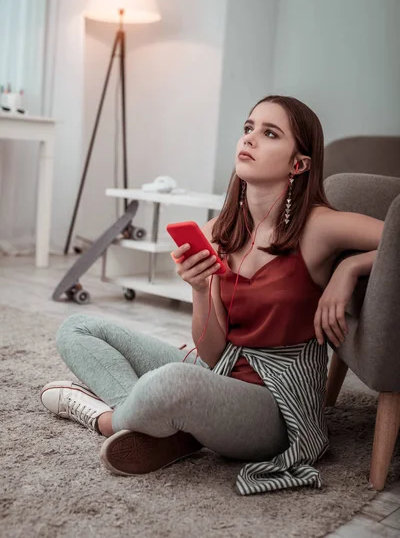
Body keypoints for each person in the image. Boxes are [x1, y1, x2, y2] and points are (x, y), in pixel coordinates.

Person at [40, 95, 383, 495]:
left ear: (298, 164)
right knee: (77, 327)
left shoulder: (318, 227)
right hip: (220, 370)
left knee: (172, 384)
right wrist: (200, 289)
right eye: (248, 128)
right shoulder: (215, 233)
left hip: (275, 406)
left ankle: (106, 419)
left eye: (269, 133)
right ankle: (167, 427)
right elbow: (213, 353)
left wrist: (349, 269)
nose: (250, 139)